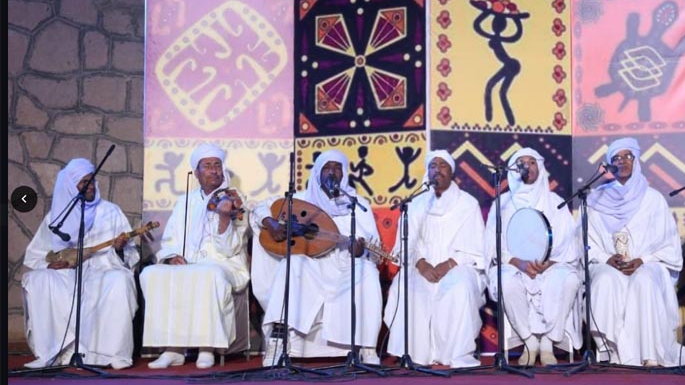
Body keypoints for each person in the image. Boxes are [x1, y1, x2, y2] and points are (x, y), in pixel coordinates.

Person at [251, 150, 382, 365]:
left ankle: (367, 347)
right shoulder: (300, 200)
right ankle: (279, 341)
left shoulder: (358, 204)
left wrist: (361, 252)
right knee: (293, 263)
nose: (332, 172)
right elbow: (258, 209)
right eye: (326, 168)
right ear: (318, 173)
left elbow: (373, 250)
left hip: (344, 267)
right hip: (312, 264)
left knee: (368, 272)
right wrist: (270, 222)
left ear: (344, 173)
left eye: (337, 168)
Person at [585, 137, 685, 367]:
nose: (622, 161)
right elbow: (585, 243)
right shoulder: (596, 199)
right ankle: (613, 351)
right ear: (610, 164)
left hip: (648, 264)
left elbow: (669, 247)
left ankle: (650, 354)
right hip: (609, 265)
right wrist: (607, 258)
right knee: (605, 279)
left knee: (644, 280)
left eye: (628, 156)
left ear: (636, 160)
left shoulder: (653, 199)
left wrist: (642, 260)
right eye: (616, 158)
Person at [140, 143, 250, 369]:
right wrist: (171, 257)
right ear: (196, 173)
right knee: (151, 274)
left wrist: (224, 218)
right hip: (189, 262)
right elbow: (170, 238)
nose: (214, 170)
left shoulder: (236, 199)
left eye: (217, 165)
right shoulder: (185, 202)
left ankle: (206, 347)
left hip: (224, 264)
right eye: (207, 166)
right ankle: (173, 349)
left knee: (208, 275)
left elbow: (230, 248)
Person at [23, 158, 139, 369]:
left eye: (92, 181)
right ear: (70, 186)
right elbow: (34, 255)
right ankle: (51, 353)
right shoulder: (57, 216)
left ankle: (111, 354)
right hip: (66, 273)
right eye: (84, 182)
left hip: (102, 268)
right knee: (38, 279)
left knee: (119, 280)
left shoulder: (111, 211)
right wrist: (49, 265)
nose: (91, 186)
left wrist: (119, 249)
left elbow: (131, 254)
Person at [384, 150, 486, 368]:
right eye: (432, 166)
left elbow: (477, 248)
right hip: (421, 266)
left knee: (460, 286)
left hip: (459, 266)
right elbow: (405, 246)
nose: (437, 170)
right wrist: (421, 264)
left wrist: (448, 264)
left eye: (443, 165)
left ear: (452, 173)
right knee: (406, 284)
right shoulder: (415, 204)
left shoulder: (468, 204)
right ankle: (414, 353)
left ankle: (456, 354)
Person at [483, 148, 582, 366]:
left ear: (540, 167)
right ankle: (528, 341)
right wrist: (518, 262)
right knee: (505, 281)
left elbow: (568, 242)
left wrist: (548, 262)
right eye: (521, 162)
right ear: (513, 169)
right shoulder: (503, 203)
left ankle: (548, 341)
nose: (527, 166)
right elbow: (492, 243)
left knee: (569, 280)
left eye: (532, 162)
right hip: (514, 265)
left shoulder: (555, 201)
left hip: (551, 264)